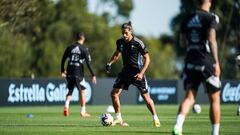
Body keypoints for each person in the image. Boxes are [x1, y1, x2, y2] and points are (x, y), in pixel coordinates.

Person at [172, 0, 221, 135]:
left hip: (190, 61)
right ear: (209, 1)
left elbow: (182, 42)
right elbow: (211, 39)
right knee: (215, 100)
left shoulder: (187, 18)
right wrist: (217, 62)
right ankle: (215, 133)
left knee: (189, 98)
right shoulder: (211, 17)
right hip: (206, 62)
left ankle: (178, 126)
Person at [105, 21, 161, 127]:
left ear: (131, 31)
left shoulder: (138, 43)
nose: (124, 35)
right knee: (114, 94)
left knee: (146, 99)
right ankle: (118, 119)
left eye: (126, 32)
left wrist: (141, 73)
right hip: (125, 72)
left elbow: (147, 59)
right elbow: (117, 53)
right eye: (122, 33)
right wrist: (110, 62)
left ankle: (155, 118)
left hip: (137, 74)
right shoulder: (120, 42)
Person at [61, 32, 97, 117]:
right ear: (83, 38)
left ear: (76, 38)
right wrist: (93, 74)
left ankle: (66, 106)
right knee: (82, 91)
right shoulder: (84, 49)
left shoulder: (70, 47)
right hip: (78, 73)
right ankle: (83, 111)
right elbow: (88, 63)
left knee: (70, 90)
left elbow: (63, 58)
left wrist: (62, 70)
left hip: (69, 71)